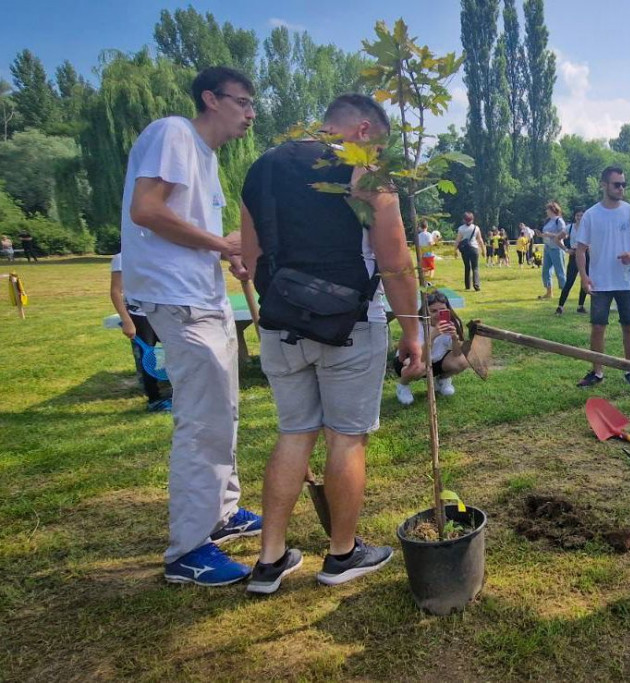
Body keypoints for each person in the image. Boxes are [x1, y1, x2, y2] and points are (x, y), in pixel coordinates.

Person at [240, 93, 424, 595]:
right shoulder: (366, 174)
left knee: (294, 432)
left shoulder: (261, 168)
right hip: (350, 323)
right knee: (346, 436)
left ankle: (270, 560)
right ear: (363, 131)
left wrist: (282, 305)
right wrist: (413, 333)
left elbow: (251, 257)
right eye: (379, 144)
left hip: (281, 320)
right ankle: (342, 554)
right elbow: (395, 263)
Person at [121, 66, 260, 586]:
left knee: (222, 412)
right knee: (201, 422)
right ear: (211, 98)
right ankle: (188, 550)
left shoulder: (205, 157)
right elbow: (147, 210)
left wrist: (228, 249)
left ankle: (222, 515)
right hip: (176, 300)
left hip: (202, 297)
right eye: (242, 102)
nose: (249, 114)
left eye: (252, 104)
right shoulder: (173, 133)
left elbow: (190, 228)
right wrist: (220, 245)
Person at [575, 166, 630, 388]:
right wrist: (584, 277)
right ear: (604, 185)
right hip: (600, 281)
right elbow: (580, 249)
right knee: (598, 326)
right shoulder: (591, 215)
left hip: (626, 281)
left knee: (629, 325)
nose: (621, 188)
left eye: (623, 184)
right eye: (617, 184)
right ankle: (597, 372)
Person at [109, 251, 172, 412]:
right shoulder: (122, 258)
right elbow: (116, 291)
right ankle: (154, 400)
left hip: (164, 312)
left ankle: (178, 394)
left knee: (176, 352)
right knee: (147, 358)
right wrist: (127, 320)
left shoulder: (158, 252)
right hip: (139, 316)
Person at [395, 289, 470, 405]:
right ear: (425, 311)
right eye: (433, 311)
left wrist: (454, 337)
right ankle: (403, 386)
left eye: (443, 310)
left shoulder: (452, 323)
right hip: (413, 360)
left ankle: (442, 380)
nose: (438, 314)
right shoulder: (417, 325)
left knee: (462, 361)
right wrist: (432, 336)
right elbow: (420, 358)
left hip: (436, 360)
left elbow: (457, 354)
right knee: (418, 367)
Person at [556, 207, 588, 315]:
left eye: (582, 215)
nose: (579, 217)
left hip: (586, 254)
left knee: (584, 280)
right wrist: (566, 249)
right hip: (574, 254)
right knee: (569, 281)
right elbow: (557, 239)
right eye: (578, 215)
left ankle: (580, 306)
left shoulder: (588, 227)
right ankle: (560, 306)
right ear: (574, 216)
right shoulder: (569, 227)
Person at [538, 201, 568, 299]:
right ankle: (549, 292)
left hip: (557, 248)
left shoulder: (559, 221)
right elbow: (546, 233)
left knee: (560, 271)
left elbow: (565, 235)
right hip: (547, 247)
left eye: (548, 209)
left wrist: (550, 235)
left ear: (552, 210)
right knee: (546, 271)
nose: (546, 211)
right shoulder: (548, 221)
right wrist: (541, 235)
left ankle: (564, 293)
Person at [456, 212, 484, 291]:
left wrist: (455, 250)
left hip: (465, 249)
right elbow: (480, 239)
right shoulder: (476, 228)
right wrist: (483, 250)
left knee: (467, 267)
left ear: (464, 220)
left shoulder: (461, 228)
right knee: (475, 267)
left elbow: (458, 240)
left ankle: (467, 285)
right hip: (474, 248)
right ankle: (476, 284)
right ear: (472, 219)